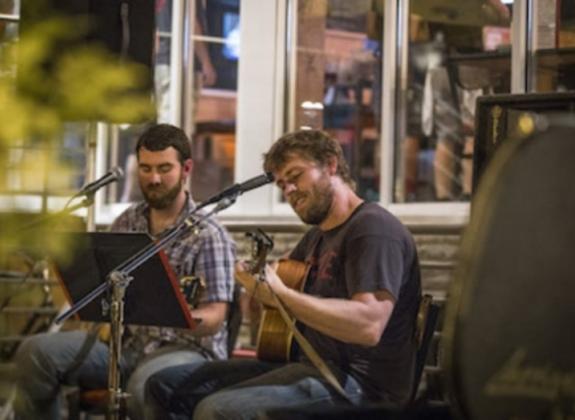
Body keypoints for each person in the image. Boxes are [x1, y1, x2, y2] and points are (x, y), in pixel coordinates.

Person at [145, 129, 422, 419]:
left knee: (217, 411)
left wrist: (281, 295)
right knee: (164, 385)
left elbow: (368, 326)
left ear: (330, 165)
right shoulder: (316, 237)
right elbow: (277, 285)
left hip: (361, 387)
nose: (289, 190)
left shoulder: (373, 230)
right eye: (282, 184)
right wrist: (253, 285)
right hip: (307, 365)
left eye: (296, 176)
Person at [13, 124, 236, 420]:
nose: (154, 178)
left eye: (164, 168)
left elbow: (216, 317)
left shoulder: (209, 234)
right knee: (35, 352)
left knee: (145, 386)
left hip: (185, 352)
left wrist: (171, 313)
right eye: (145, 168)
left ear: (186, 169)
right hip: (126, 348)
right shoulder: (126, 221)